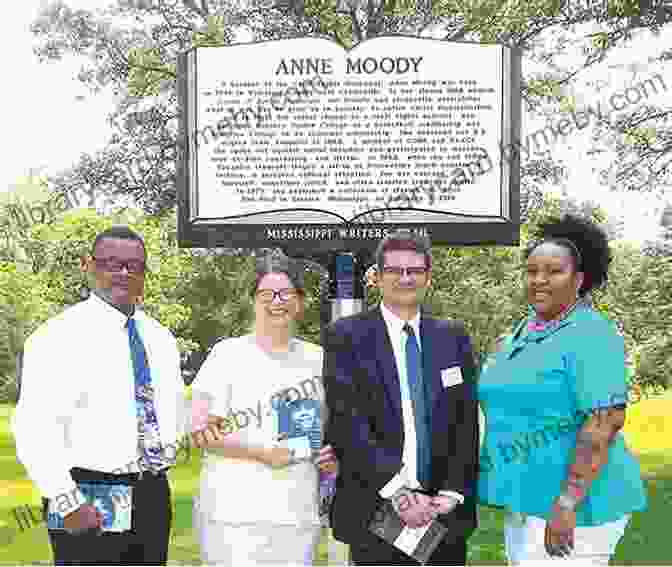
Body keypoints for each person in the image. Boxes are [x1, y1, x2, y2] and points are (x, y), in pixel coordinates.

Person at [478, 214, 647, 564]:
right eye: (532, 270)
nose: (540, 280)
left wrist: (568, 501)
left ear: (579, 279)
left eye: (554, 271)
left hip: (578, 507)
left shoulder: (591, 334)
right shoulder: (521, 333)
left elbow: (605, 421)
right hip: (526, 500)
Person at [12, 225, 186, 565]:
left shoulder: (160, 338)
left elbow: (172, 408)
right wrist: (67, 501)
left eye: (134, 265)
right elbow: (34, 429)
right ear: (89, 266)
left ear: (144, 273)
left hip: (150, 492)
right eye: (111, 263)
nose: (123, 273)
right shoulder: (57, 336)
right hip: (85, 491)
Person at [323, 230, 480, 566]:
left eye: (415, 271)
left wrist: (452, 493)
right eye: (394, 270)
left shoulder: (452, 337)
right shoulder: (347, 336)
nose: (405, 278)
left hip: (443, 513)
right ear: (377, 277)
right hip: (377, 510)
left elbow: (465, 423)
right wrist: (400, 494)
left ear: (428, 278)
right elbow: (347, 423)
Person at [190, 252, 337, 565]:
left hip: (297, 515)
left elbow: (329, 430)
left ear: (300, 301)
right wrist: (262, 452)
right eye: (267, 294)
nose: (277, 302)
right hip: (233, 519)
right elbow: (201, 432)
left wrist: (330, 453)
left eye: (286, 293)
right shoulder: (226, 355)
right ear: (253, 301)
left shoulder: (318, 359)